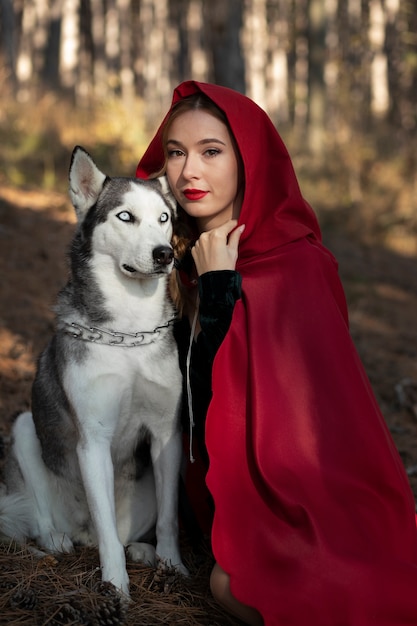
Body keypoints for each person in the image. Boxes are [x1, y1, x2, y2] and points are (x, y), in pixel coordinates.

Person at [136, 81, 417, 626]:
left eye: (211, 152)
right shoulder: (171, 264)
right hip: (216, 501)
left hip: (313, 499)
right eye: (176, 152)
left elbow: (319, 428)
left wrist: (220, 295)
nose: (189, 171)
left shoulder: (298, 264)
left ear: (248, 161)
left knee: (239, 586)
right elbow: (181, 409)